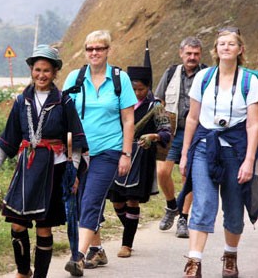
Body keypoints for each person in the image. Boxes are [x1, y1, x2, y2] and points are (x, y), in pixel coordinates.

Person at [0, 44, 88, 278]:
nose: (41, 75)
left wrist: (74, 174)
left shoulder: (64, 102)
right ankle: (23, 271)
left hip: (55, 169)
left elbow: (77, 142)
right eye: (37, 70)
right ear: (31, 70)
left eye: (47, 71)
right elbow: (9, 137)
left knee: (43, 227)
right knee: (17, 224)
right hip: (26, 170)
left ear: (55, 73)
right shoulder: (22, 101)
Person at [179, 27, 258, 277]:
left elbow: (253, 124)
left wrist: (249, 161)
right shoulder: (203, 77)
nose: (226, 47)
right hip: (205, 147)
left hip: (236, 150)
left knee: (234, 211)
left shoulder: (250, 81)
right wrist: (184, 154)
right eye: (221, 43)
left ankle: (230, 256)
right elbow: (192, 118)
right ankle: (194, 261)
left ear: (240, 49)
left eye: (231, 44)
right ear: (216, 49)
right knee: (203, 203)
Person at [62, 30, 137, 276]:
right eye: (90, 49)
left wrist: (126, 153)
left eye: (100, 48)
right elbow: (63, 114)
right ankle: (97, 249)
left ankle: (78, 257)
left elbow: (128, 119)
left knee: (90, 199)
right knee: (82, 198)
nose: (95, 53)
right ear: (85, 51)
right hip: (78, 151)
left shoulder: (119, 79)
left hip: (108, 149)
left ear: (108, 51)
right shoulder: (75, 77)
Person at [108, 65, 172, 258]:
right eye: (133, 89)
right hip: (118, 153)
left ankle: (127, 244)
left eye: (141, 89)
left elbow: (166, 132)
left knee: (132, 199)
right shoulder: (119, 102)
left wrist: (153, 135)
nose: (137, 93)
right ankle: (130, 226)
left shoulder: (156, 107)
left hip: (141, 158)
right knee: (117, 201)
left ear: (148, 87)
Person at [154, 36, 206, 238]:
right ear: (181, 53)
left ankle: (183, 217)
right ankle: (171, 206)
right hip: (172, 131)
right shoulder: (170, 73)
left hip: (197, 131)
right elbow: (158, 99)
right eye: (189, 53)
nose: (192, 57)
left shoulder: (208, 74)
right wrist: (161, 125)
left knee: (188, 175)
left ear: (200, 55)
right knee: (162, 173)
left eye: (196, 54)